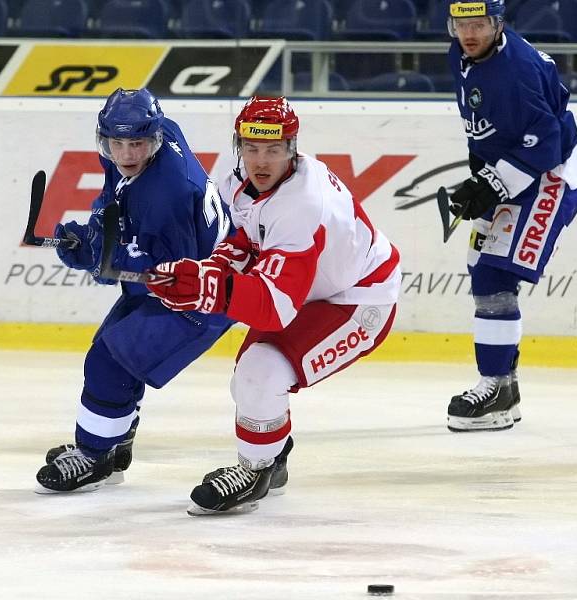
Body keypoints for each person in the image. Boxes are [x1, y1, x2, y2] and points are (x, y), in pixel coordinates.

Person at [147, 96, 401, 515]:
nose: (261, 161)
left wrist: (206, 288)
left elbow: (275, 307)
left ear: (292, 148)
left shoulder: (303, 205)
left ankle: (256, 469)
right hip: (312, 290)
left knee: (261, 373)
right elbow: (247, 241)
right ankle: (274, 452)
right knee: (247, 383)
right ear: (239, 145)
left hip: (360, 298)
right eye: (251, 148)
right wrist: (206, 270)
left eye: (274, 149)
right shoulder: (236, 181)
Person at [35, 88, 233, 493]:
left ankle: (93, 457)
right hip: (184, 273)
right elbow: (119, 202)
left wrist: (104, 259)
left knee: (112, 359)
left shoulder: (169, 195)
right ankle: (113, 441)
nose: (126, 153)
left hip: (199, 295)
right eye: (117, 142)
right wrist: (94, 234)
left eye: (136, 143)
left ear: (153, 137)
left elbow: (169, 276)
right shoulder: (152, 139)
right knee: (111, 347)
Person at [442, 0, 577, 432]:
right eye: (461, 24)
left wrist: (490, 185)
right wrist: (480, 180)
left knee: (494, 275)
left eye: (480, 24)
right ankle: (505, 380)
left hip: (550, 177)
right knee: (478, 265)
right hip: (514, 170)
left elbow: (544, 145)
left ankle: (497, 388)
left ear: (498, 23)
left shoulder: (518, 71)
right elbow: (481, 122)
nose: (470, 34)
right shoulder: (462, 55)